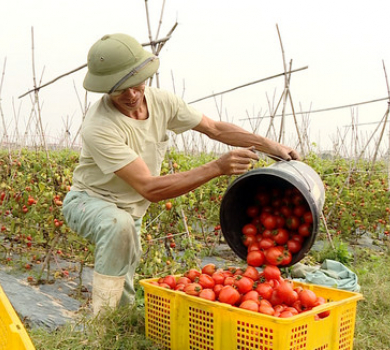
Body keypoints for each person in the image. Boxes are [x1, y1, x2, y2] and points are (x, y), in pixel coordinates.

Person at [61, 33, 300, 315]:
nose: (131, 95)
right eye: (119, 89)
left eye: (135, 84)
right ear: (104, 89)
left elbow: (215, 128)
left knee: (123, 269)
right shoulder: (99, 126)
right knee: (117, 225)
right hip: (88, 201)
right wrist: (216, 167)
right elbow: (149, 188)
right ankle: (101, 325)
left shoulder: (162, 102)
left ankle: (119, 323)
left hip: (131, 210)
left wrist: (267, 144)